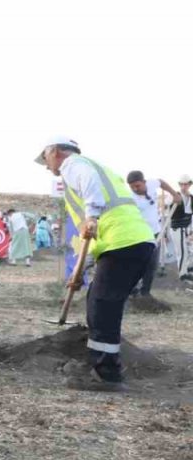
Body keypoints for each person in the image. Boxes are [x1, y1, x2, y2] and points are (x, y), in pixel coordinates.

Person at [36, 137, 155, 388]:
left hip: (122, 243)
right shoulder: (98, 170)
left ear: (55, 152)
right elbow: (90, 238)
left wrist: (91, 214)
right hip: (131, 242)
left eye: (45, 159)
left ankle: (107, 374)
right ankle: (100, 365)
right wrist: (81, 270)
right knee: (98, 301)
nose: (46, 166)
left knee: (103, 306)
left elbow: (92, 206)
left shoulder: (74, 164)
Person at [126, 170, 177, 298]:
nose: (135, 189)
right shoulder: (130, 198)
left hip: (155, 234)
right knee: (137, 264)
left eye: (137, 186)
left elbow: (161, 182)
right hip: (139, 236)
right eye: (132, 187)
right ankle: (132, 290)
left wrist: (174, 194)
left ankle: (145, 292)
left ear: (144, 182)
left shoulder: (152, 184)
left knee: (152, 264)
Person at [168, 174, 192, 282]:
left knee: (189, 250)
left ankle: (188, 267)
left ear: (189, 184)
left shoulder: (191, 197)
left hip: (187, 228)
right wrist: (174, 202)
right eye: (181, 184)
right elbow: (170, 212)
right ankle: (183, 274)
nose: (183, 186)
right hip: (177, 228)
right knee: (182, 252)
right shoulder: (175, 195)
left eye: (185, 184)